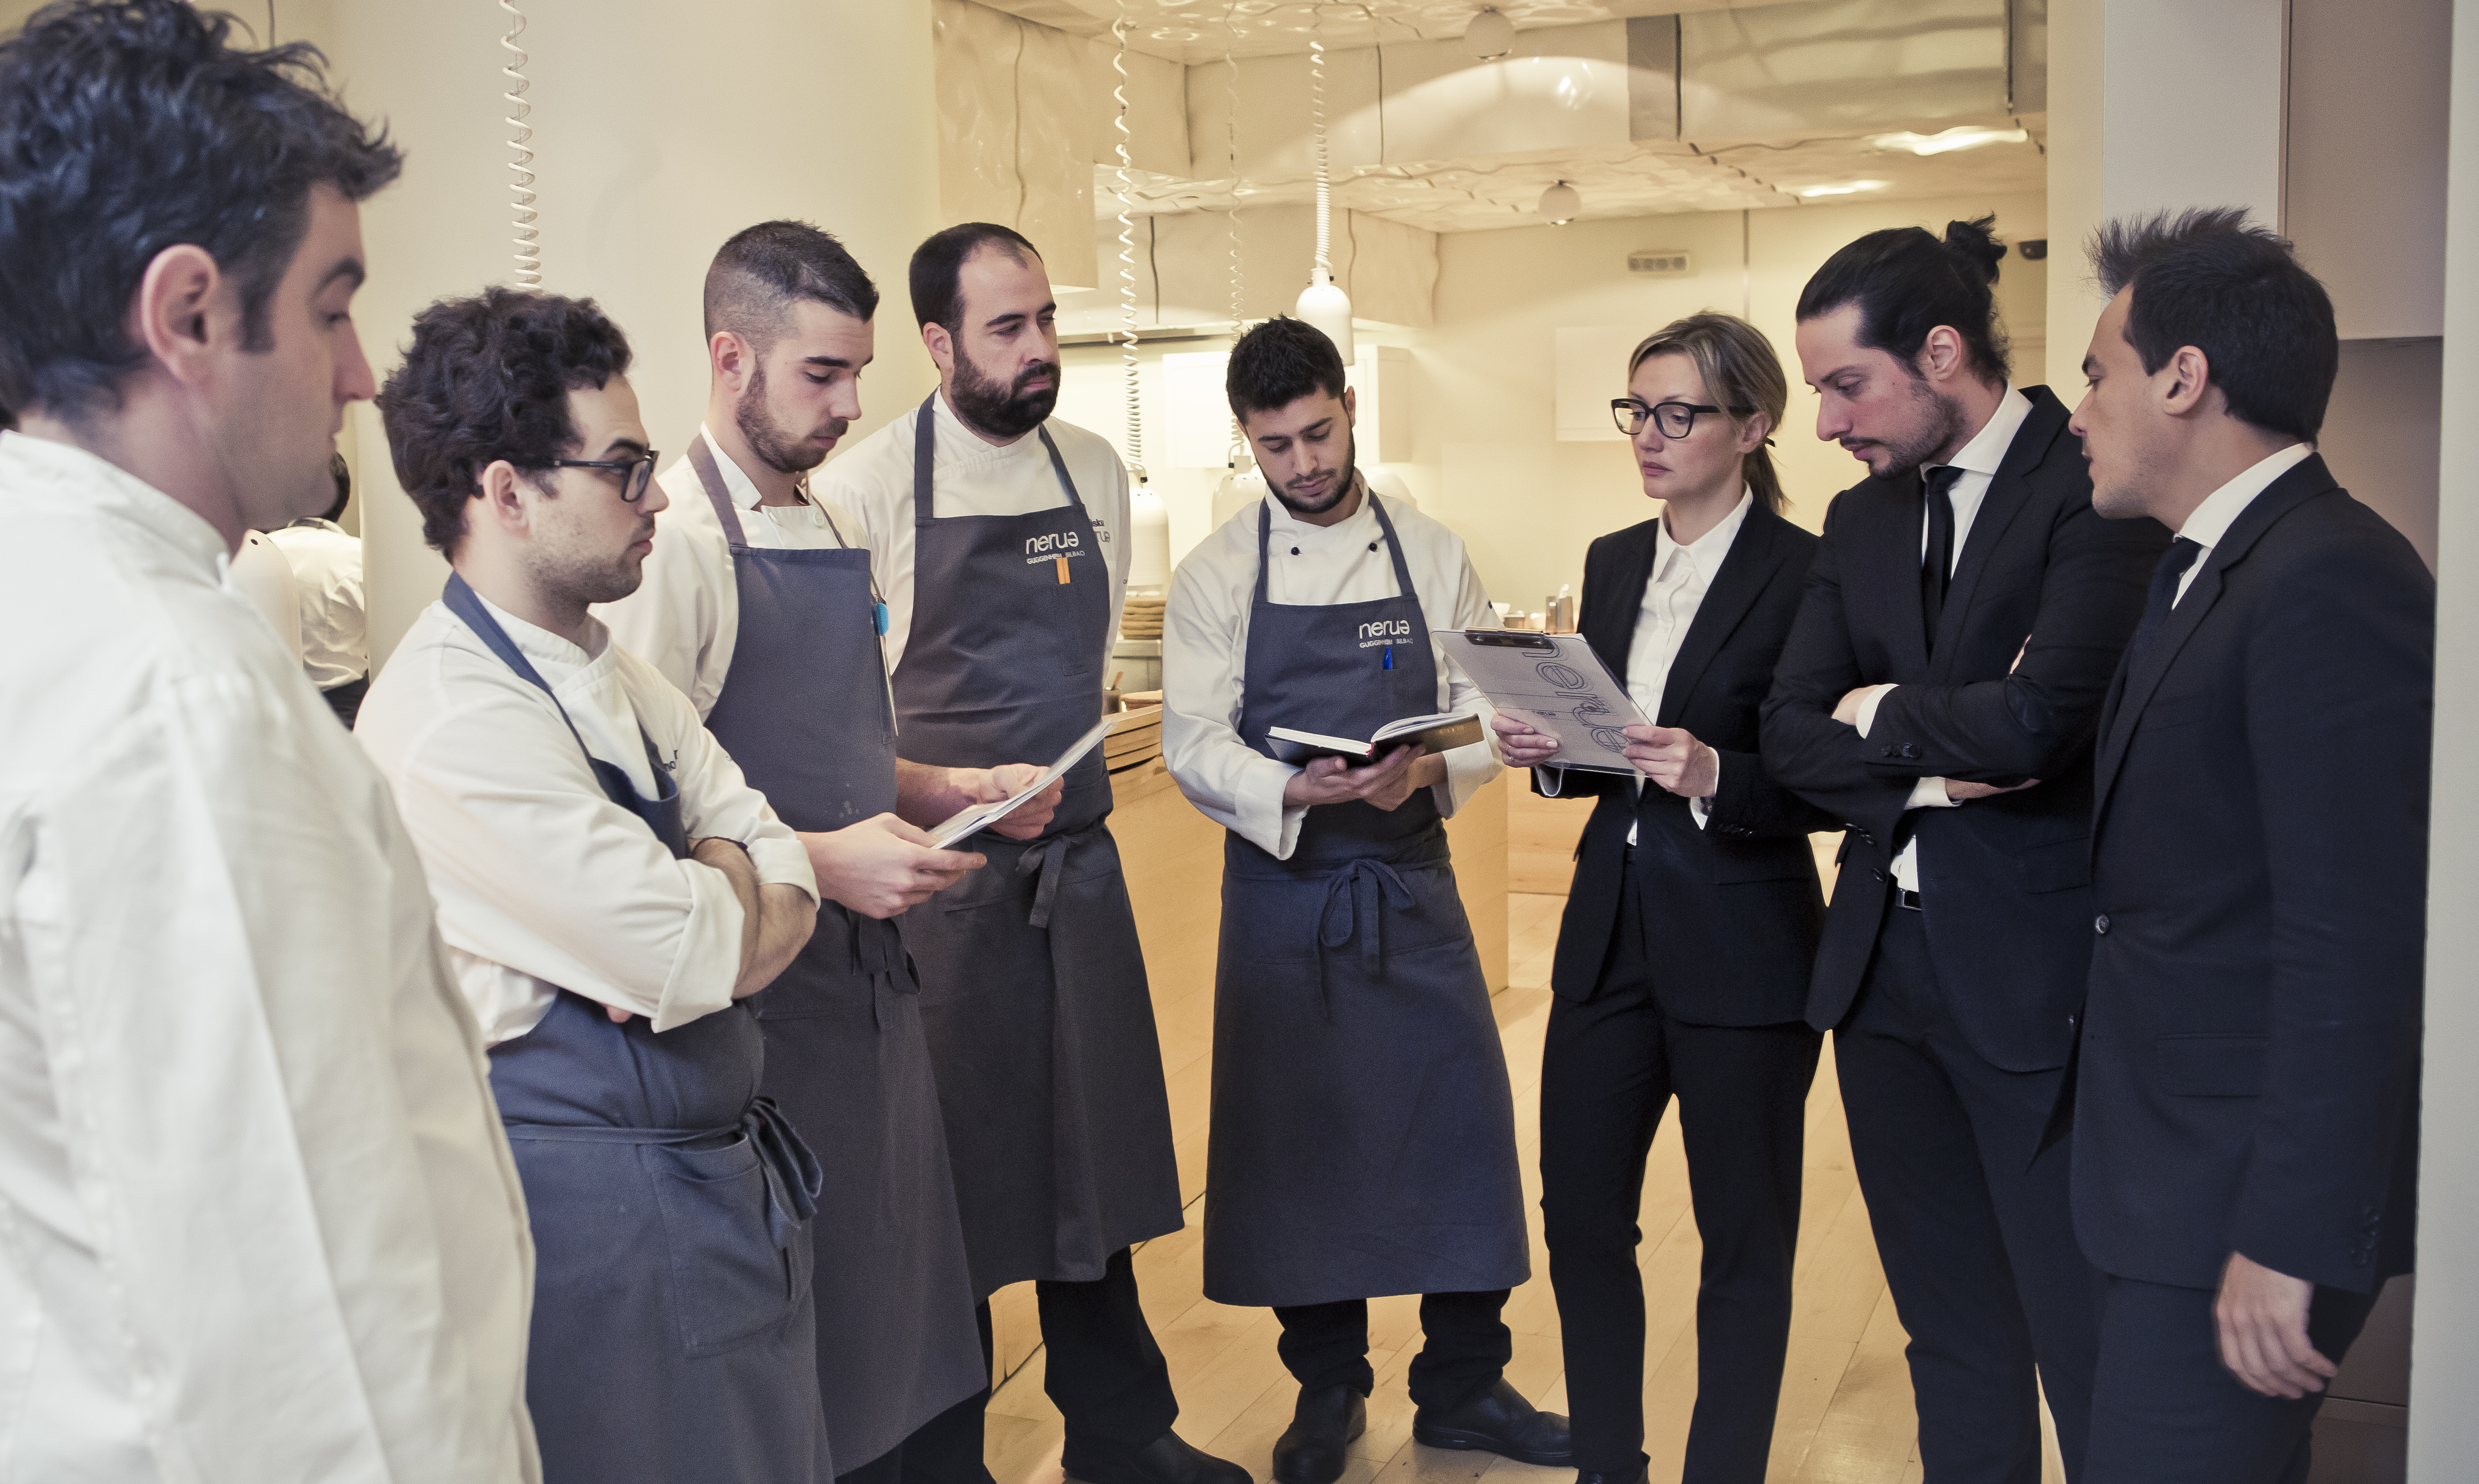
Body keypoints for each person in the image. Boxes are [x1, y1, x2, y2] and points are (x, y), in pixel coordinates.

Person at [0, 3, 538, 1478]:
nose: (364, 372)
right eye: (330, 303)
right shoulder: (177, 696)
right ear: (185, 317)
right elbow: (310, 1322)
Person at [361, 287, 831, 1484]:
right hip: (598, 1228)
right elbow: (702, 945)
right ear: (508, 492)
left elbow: (770, 849)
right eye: (625, 469)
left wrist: (720, 887)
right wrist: (721, 896)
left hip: (705, 1185)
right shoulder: (451, 722)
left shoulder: (601, 661)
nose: (659, 495)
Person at [600, 220, 1033, 1484]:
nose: (852, 405)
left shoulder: (836, 517)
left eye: (859, 373)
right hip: (772, 1018)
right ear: (731, 358)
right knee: (826, 1353)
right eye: (822, 375)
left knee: (916, 1322)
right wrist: (822, 863)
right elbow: (642, 823)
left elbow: (847, 749)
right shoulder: (672, 547)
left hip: (882, 995)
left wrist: (944, 784)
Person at [819, 222, 1238, 1484]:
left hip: (1079, 872)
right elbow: (837, 733)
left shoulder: (1099, 472)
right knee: (948, 1192)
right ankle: (944, 1452)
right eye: (1009, 327)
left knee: (1094, 1166)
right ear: (939, 343)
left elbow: (1094, 662)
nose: (1041, 347)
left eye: (1047, 318)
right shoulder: (869, 486)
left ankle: (1122, 1429)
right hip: (938, 896)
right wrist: (953, 791)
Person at [1758, 217, 2168, 1484]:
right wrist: (1953, 755)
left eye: (1845, 384)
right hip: (1882, 977)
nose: (1823, 423)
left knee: (2080, 1331)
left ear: (1942, 352)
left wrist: (1877, 714)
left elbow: (2046, 725)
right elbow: (1784, 733)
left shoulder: (2091, 484)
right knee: (1950, 1332)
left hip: (2038, 976)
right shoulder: (1861, 518)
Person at [1162, 317, 1567, 1484]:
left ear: (1350, 408)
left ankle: (1462, 1386)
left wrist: (1432, 764)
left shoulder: (1431, 552)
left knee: (1458, 1140)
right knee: (1300, 1150)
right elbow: (1191, 740)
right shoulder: (1216, 577)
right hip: (1283, 900)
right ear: (1247, 441)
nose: (1302, 463)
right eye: (1274, 445)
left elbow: (1492, 710)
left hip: (1409, 885)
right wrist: (1289, 781)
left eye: (1319, 432)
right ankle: (1325, 1388)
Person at [2065, 209, 2429, 1483]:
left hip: (2240, 1210)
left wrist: (2291, 1236)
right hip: (2162, 1185)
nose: (2080, 409)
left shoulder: (2328, 575)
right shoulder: (2204, 569)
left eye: (2097, 372)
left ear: (2183, 375)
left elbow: (2359, 940)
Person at [1495, 313, 1833, 1484]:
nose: (1648, 434)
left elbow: (1833, 775)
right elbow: (1601, 759)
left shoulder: (1806, 571)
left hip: (1746, 947)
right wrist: (1547, 747)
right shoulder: (1613, 560)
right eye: (1635, 410)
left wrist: (1716, 774)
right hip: (1605, 941)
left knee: (1744, 1242)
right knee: (1582, 1221)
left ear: (1752, 426)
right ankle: (1606, 1466)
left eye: (1677, 412)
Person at [269, 451, 371, 724]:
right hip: (345, 712)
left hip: (270, 709)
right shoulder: (361, 557)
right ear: (346, 499)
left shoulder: (255, 552)